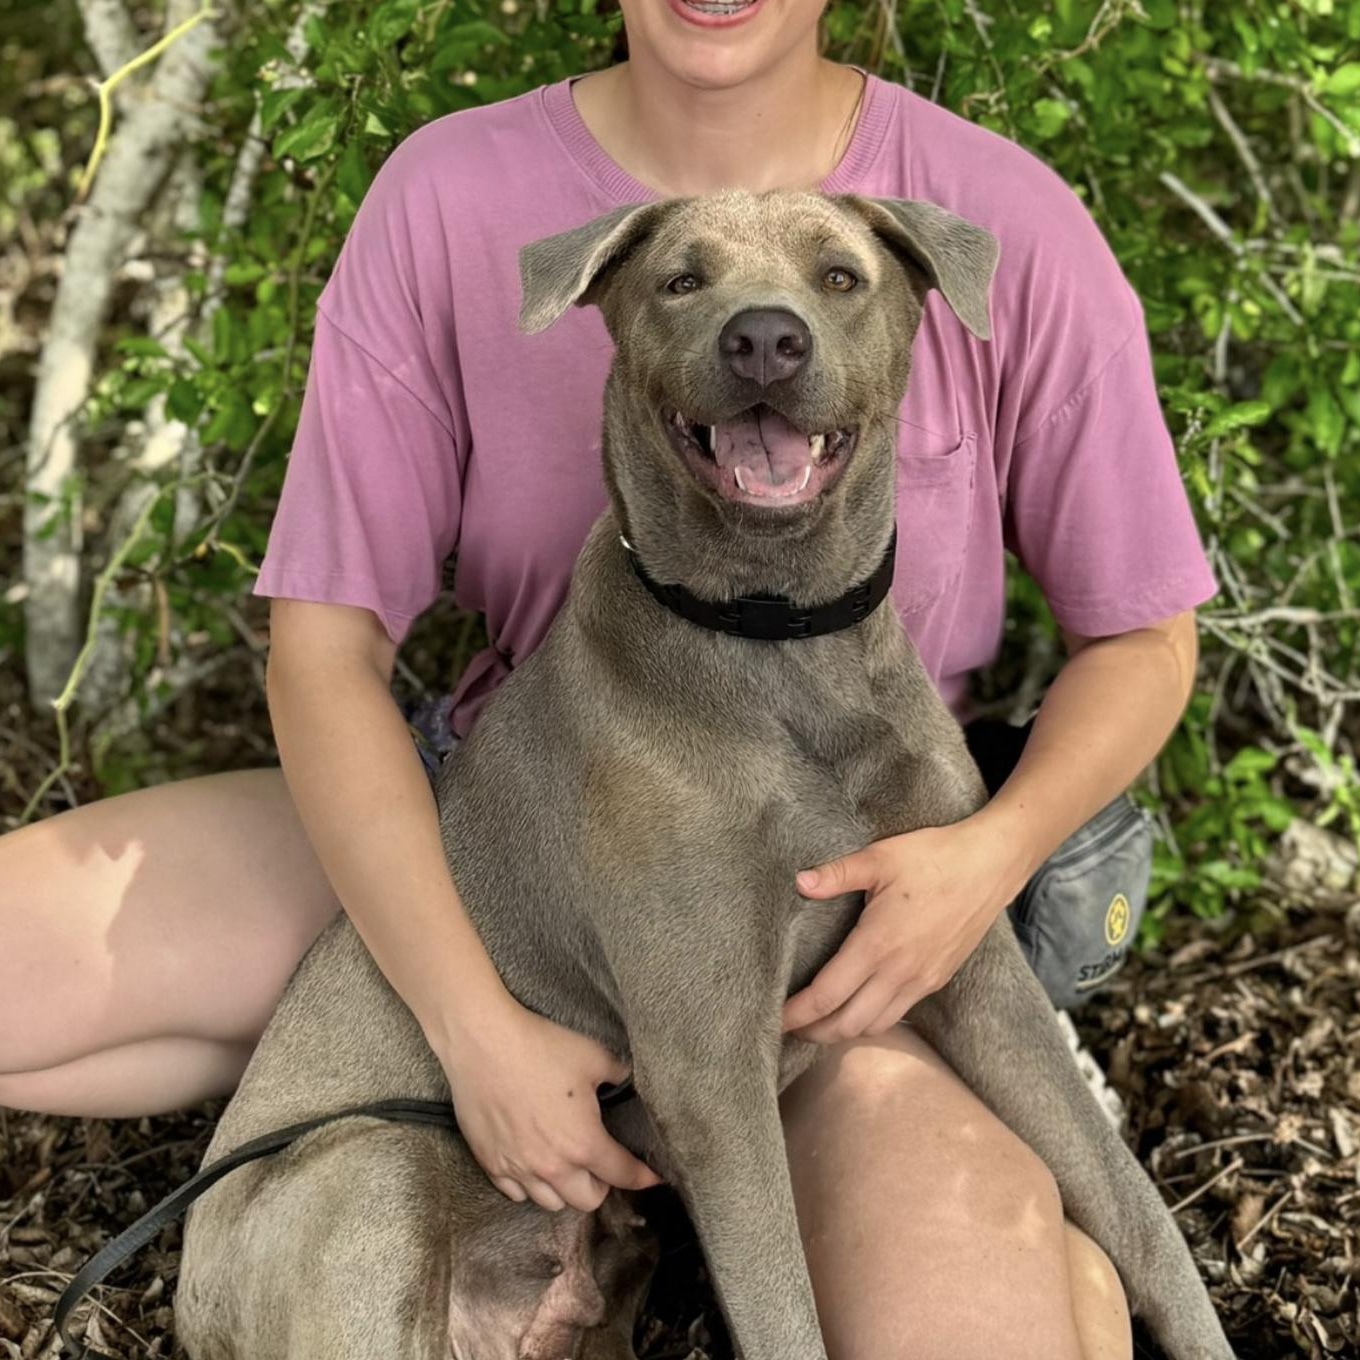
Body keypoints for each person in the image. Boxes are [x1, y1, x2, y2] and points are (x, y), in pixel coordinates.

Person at [0, 3, 1219, 1357]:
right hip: (508, 804)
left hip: (847, 911)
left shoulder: (993, 215)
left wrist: (988, 859)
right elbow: (325, 648)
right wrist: (471, 1032)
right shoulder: (454, 194)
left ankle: (878, 1175)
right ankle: (408, 1113)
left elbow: (1148, 641)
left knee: (996, 1316)